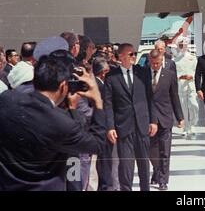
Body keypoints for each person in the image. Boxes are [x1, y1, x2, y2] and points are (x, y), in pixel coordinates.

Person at [0, 50, 106, 190]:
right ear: (63, 86)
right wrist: (97, 101)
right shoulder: (60, 123)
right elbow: (97, 144)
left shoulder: (6, 100)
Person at [104, 43, 157, 191]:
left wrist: (153, 121)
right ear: (121, 56)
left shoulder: (142, 72)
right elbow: (108, 105)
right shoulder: (111, 77)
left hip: (142, 125)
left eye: (134, 54)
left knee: (144, 165)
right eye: (131, 54)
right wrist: (110, 127)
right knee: (126, 167)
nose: (134, 56)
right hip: (123, 127)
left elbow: (150, 98)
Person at [148, 50, 184, 190]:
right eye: (153, 63)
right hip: (150, 119)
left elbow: (174, 96)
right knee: (151, 150)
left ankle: (163, 179)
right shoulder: (144, 75)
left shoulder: (169, 75)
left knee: (165, 150)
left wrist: (179, 117)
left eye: (157, 63)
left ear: (162, 60)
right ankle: (156, 170)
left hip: (165, 117)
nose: (155, 66)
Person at [92, 57, 115, 191]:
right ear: (104, 72)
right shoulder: (100, 86)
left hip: (98, 128)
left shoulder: (95, 84)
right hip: (103, 128)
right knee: (105, 161)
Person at [173, 36, 198, 136]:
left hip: (191, 84)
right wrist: (181, 76)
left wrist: (191, 76)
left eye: (184, 44)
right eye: (181, 45)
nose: (183, 46)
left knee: (194, 105)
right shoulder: (175, 60)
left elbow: (197, 72)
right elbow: (174, 74)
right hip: (181, 85)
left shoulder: (192, 57)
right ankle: (186, 127)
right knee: (183, 107)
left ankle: (192, 124)